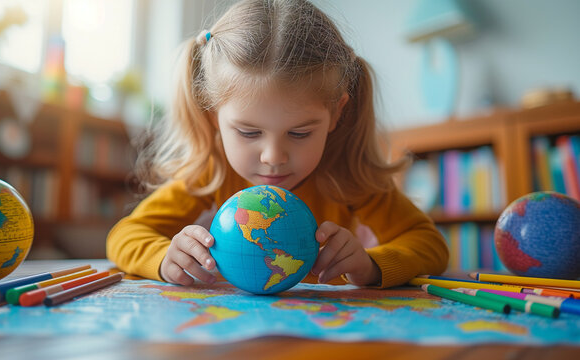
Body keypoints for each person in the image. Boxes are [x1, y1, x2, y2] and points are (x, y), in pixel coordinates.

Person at [107, 0, 448, 288]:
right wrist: (164, 257)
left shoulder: (348, 178)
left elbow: (431, 245)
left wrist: (372, 265)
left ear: (336, 113)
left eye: (299, 133)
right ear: (213, 116)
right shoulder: (210, 175)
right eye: (248, 132)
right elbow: (125, 235)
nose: (273, 157)